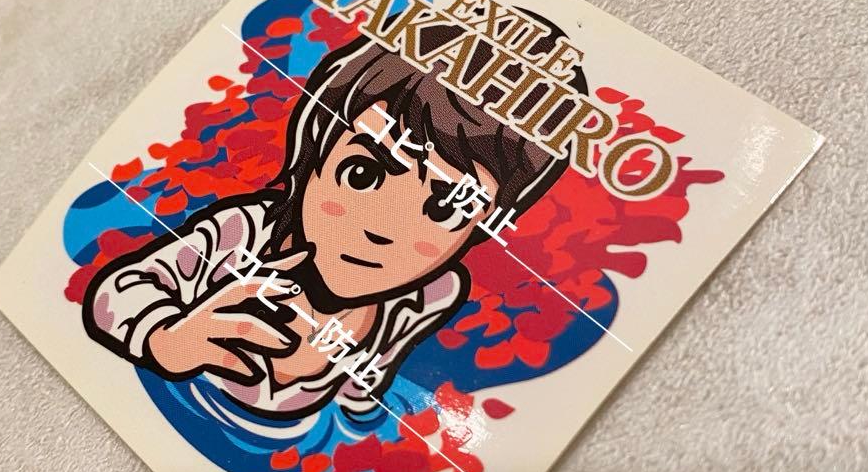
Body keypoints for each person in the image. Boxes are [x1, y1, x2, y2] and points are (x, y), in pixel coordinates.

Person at [83, 28, 583, 422]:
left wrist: (361, 408)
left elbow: (370, 383)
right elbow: (119, 292)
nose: (381, 229)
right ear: (317, 146)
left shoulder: (431, 294)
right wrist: (167, 342)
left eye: (447, 208)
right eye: (362, 174)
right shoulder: (243, 233)